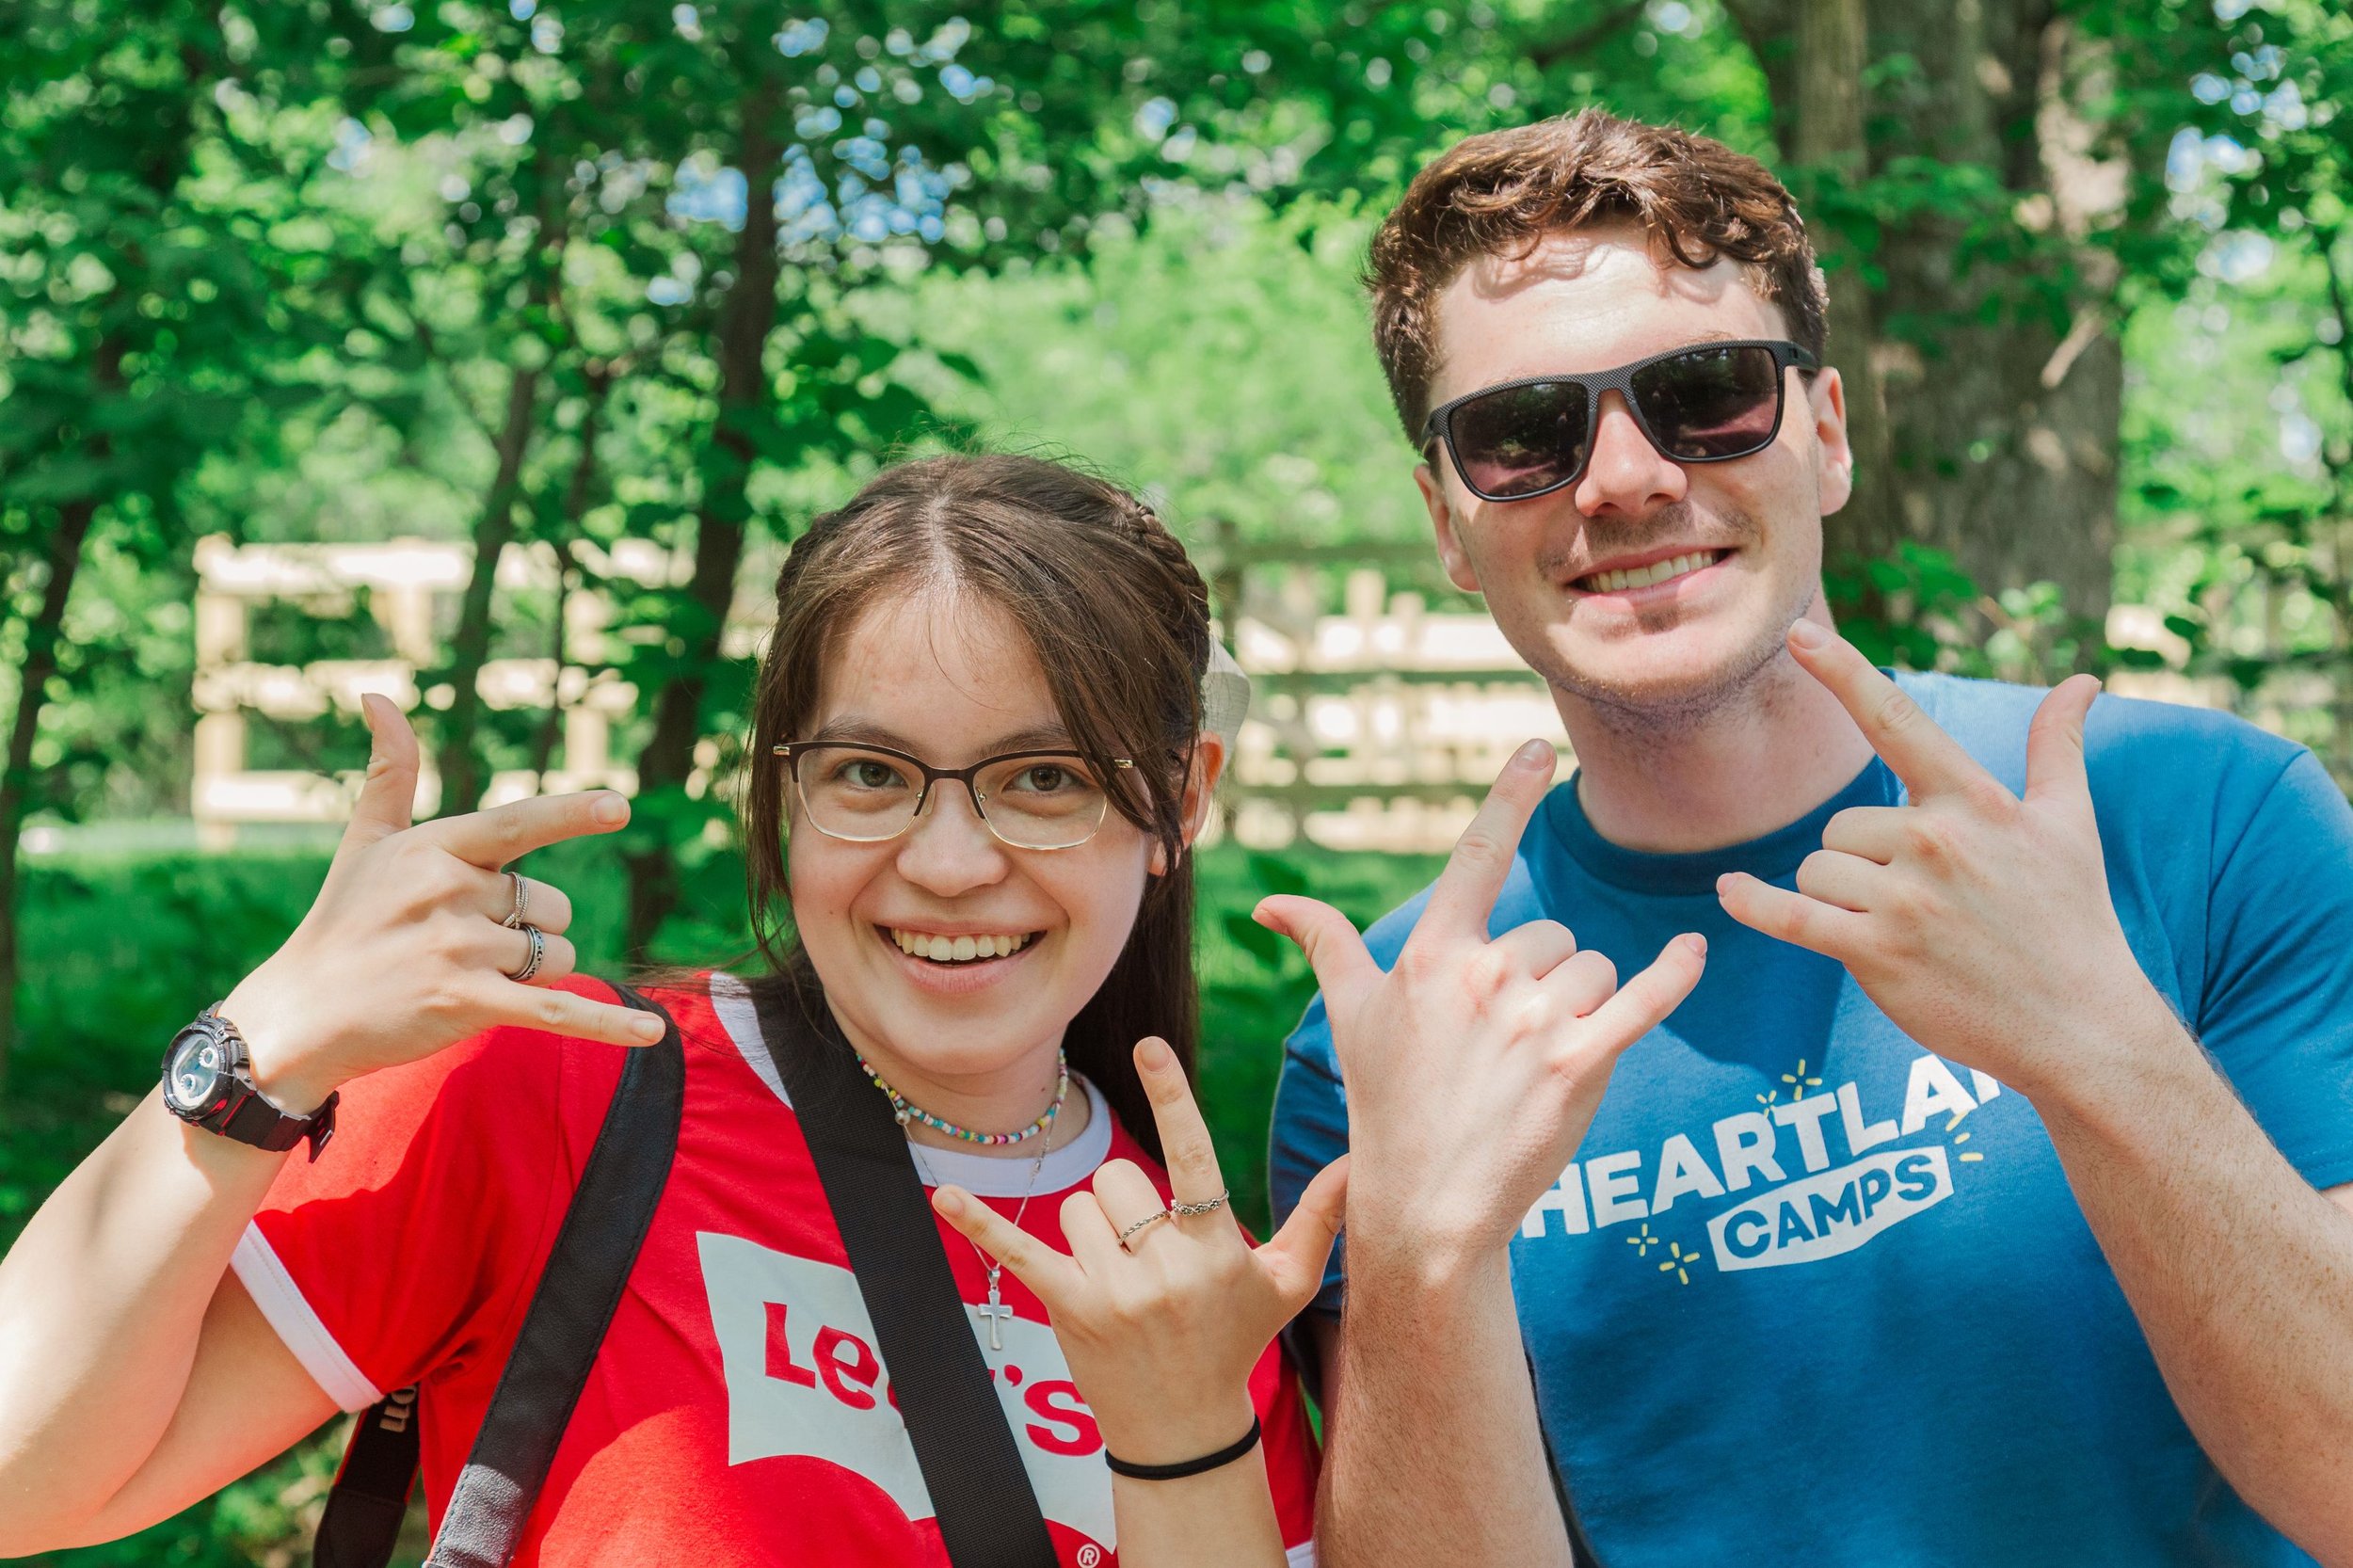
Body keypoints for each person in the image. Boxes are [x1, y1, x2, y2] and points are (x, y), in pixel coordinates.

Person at [1262, 108, 2353, 1568]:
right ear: (1449, 527)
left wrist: (2100, 1044)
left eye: (1705, 392)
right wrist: (1419, 1247)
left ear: (1825, 434)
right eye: (1522, 434)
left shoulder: (2197, 817)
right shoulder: (1396, 1029)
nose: (1626, 478)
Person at [0, 454, 1349, 1567]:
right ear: (783, 789)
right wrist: (268, 1037)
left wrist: (1187, 1424)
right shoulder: (562, 1090)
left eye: (1046, 776)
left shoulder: (1191, 1274)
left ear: (1179, 798)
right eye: (872, 771)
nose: (947, 862)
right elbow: (24, 1480)